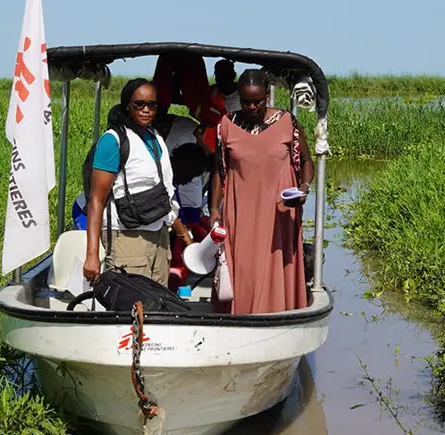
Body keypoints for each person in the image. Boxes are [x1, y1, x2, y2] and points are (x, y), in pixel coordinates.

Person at [209, 69, 312, 313]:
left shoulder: (288, 122)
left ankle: (279, 313)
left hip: (280, 212)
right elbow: (219, 171)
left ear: (268, 95)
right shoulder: (225, 126)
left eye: (258, 101)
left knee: (276, 265)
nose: (252, 107)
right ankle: (241, 317)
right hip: (241, 213)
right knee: (244, 268)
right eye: (246, 101)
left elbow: (306, 162)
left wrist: (304, 188)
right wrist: (214, 209)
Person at [84, 78, 194, 285]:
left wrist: (183, 234)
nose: (146, 110)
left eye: (152, 105)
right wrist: (91, 255)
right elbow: (96, 200)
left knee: (157, 305)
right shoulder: (113, 141)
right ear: (127, 104)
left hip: (159, 236)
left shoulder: (156, 138)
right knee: (132, 307)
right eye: (139, 104)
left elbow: (163, 195)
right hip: (127, 237)